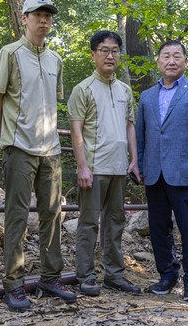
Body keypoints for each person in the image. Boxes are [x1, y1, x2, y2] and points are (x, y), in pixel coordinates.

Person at [0, 0, 76, 311]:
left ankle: (51, 276)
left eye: (48, 16)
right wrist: (4, 137)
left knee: (53, 214)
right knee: (18, 216)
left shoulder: (56, 60)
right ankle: (13, 283)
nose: (43, 20)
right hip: (19, 148)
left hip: (50, 149)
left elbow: (53, 101)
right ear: (23, 18)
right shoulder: (9, 54)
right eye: (37, 15)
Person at [136, 40, 188, 303]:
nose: (171, 61)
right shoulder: (147, 96)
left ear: (185, 61)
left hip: (186, 172)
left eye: (176, 56)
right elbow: (141, 134)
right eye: (166, 56)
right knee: (159, 227)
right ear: (158, 61)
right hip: (154, 172)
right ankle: (167, 275)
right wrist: (140, 163)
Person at [68, 31, 142, 296]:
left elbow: (130, 127)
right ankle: (85, 275)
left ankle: (114, 275)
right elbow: (76, 131)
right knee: (89, 222)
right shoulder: (83, 89)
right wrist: (82, 166)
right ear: (93, 55)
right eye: (104, 50)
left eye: (114, 51)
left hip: (120, 168)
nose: (110, 55)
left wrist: (134, 161)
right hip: (94, 167)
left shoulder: (124, 90)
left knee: (115, 222)